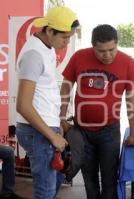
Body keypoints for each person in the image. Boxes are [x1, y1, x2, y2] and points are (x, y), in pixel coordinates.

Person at [59, 24, 134, 199]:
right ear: (92, 46)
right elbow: (66, 87)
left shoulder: (128, 63)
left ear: (117, 44)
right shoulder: (79, 57)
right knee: (89, 178)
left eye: (112, 49)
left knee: (110, 178)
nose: (107, 55)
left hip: (109, 131)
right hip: (82, 130)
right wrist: (62, 116)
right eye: (101, 51)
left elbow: (131, 102)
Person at [15, 6, 79, 199]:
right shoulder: (34, 55)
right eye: (65, 37)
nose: (67, 42)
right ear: (50, 30)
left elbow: (46, 91)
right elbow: (23, 106)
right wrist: (52, 136)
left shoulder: (47, 47)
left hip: (46, 127)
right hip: (37, 132)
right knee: (45, 190)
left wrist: (58, 122)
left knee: (56, 179)